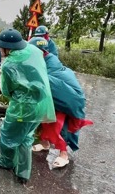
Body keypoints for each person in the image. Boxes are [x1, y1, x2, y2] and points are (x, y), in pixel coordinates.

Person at [0, 29, 55, 184]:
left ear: (7, 47)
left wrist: (18, 96)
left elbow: (6, 91)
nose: (0, 50)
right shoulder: (34, 51)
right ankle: (23, 174)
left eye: (1, 47)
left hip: (23, 108)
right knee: (26, 138)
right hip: (42, 103)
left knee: (7, 135)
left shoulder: (10, 64)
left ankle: (6, 162)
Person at [29, 37, 93, 168]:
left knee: (60, 125)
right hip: (55, 99)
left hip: (69, 101)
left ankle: (64, 155)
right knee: (44, 119)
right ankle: (45, 144)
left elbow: (44, 83)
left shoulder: (51, 67)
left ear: (41, 52)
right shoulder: (43, 61)